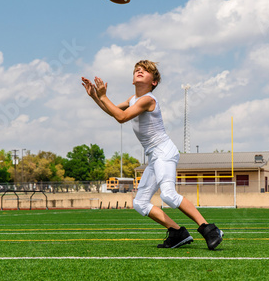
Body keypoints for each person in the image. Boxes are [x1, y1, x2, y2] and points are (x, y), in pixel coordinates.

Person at [82, 60, 223, 250]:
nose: (139, 71)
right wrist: (95, 97)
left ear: (154, 82)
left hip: (164, 151)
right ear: (133, 79)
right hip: (155, 157)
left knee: (169, 195)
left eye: (145, 71)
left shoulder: (148, 99)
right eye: (137, 70)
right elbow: (113, 111)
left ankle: (209, 229)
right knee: (140, 203)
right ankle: (177, 233)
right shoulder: (133, 99)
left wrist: (103, 96)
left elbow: (121, 117)